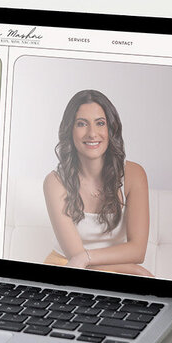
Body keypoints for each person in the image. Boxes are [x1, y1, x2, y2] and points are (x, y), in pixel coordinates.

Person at [42, 89, 153, 277]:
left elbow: (137, 251)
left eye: (100, 123)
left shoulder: (134, 174)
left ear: (110, 129)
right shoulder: (54, 182)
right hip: (66, 266)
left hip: (113, 269)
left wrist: (88, 257)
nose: (92, 133)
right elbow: (75, 259)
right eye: (81, 124)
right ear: (70, 130)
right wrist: (133, 269)